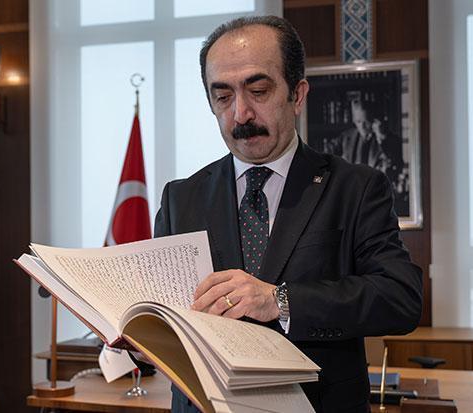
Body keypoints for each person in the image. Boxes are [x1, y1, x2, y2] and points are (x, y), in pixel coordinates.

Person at [154, 15, 422, 413]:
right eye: (223, 97)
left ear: (297, 94)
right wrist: (136, 335)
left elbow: (400, 298)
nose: (241, 114)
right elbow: (165, 310)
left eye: (258, 91)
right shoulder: (180, 198)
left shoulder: (356, 188)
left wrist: (279, 300)